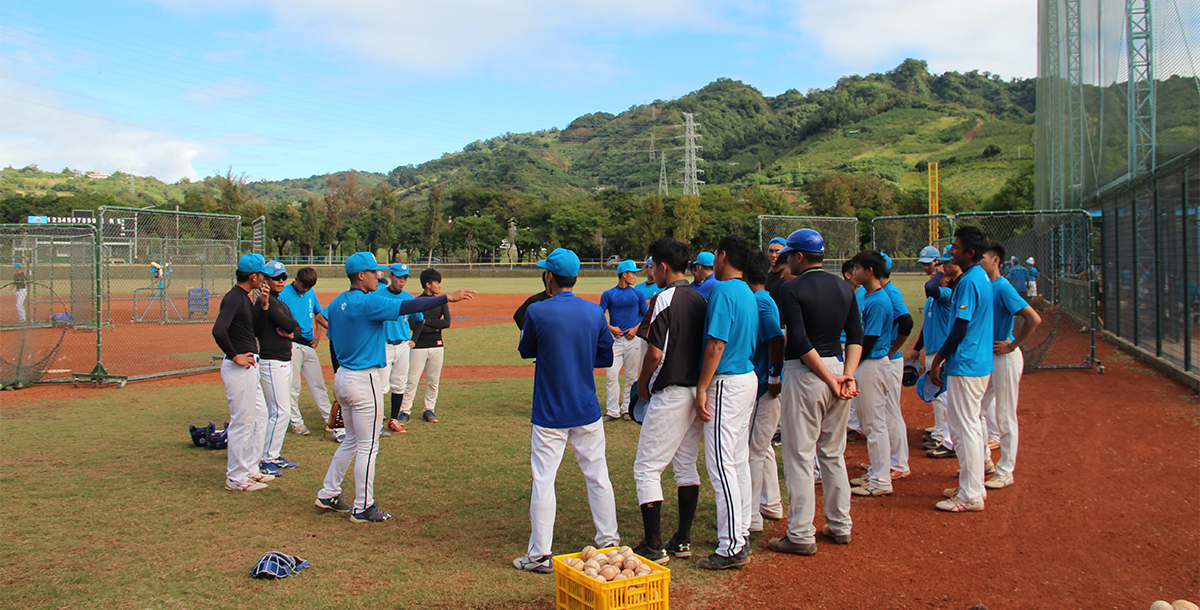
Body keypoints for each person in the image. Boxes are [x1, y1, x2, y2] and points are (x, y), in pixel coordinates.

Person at [315, 253, 474, 521]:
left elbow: (327, 327)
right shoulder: (368, 302)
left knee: (352, 440)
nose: (378, 276)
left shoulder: (339, 301)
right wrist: (448, 297)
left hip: (342, 376)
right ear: (360, 275)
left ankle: (328, 493)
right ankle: (363, 506)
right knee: (368, 445)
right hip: (364, 379)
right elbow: (406, 308)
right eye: (373, 272)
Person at [512, 248, 619, 573]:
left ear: (550, 277)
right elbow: (606, 358)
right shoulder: (593, 312)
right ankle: (610, 543)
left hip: (549, 412)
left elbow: (525, 350)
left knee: (544, 480)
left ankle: (540, 555)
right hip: (586, 409)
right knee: (598, 475)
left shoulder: (539, 311)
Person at [769, 228, 862, 556]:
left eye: (788, 255)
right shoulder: (844, 285)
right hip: (838, 368)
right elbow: (855, 336)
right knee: (833, 453)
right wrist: (845, 375)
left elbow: (799, 338)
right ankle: (840, 525)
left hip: (807, 373)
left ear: (799, 256)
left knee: (799, 456)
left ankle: (800, 534)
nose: (785, 261)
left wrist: (828, 377)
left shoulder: (790, 288)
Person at [631, 238, 708, 565]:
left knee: (646, 468)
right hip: (698, 390)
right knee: (686, 463)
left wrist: (643, 385)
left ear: (663, 266)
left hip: (672, 391)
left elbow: (656, 353)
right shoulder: (700, 298)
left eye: (651, 265)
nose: (650, 271)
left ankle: (653, 545)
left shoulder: (664, 298)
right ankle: (683, 539)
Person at [692, 234, 759, 571]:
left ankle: (732, 544)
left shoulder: (722, 290)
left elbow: (716, 344)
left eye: (716, 255)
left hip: (727, 381)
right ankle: (740, 530)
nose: (714, 261)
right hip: (746, 378)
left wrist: (702, 387)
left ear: (724, 256)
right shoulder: (747, 290)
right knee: (736, 460)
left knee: (721, 465)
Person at [928, 226, 994, 513]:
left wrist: (938, 358)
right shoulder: (977, 277)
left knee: (964, 427)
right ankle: (972, 485)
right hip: (975, 362)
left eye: (955, 247)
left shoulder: (968, 282)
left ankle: (971, 495)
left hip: (966, 363)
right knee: (970, 426)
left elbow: (961, 326)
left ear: (970, 253)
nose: (951, 252)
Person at [979, 241, 1041, 490]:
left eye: (982, 257)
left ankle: (1006, 470)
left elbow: (1033, 318)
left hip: (1004, 358)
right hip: (989, 357)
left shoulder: (1003, 287)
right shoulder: (985, 285)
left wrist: (1013, 344)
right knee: (977, 410)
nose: (979, 261)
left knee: (1004, 415)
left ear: (995, 261)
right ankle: (983, 461)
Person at [212, 253, 271, 492]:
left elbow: (253, 329)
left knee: (260, 417)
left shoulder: (245, 298)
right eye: (261, 275)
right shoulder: (234, 298)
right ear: (253, 276)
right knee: (242, 422)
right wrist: (234, 355)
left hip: (250, 367)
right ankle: (235, 478)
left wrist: (264, 306)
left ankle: (250, 469)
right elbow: (218, 330)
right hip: (239, 368)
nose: (263, 279)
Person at [847, 251, 899, 497]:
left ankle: (881, 480)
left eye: (857, 268)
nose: (853, 272)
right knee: (871, 423)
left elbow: (869, 339)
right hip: (870, 364)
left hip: (872, 364)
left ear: (869, 271)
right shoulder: (869, 297)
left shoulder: (878, 300)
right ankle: (878, 473)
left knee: (875, 423)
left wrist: (852, 362)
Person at [744, 251, 785, 533]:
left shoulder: (759, 301)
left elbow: (776, 337)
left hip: (763, 387)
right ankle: (771, 504)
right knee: (763, 447)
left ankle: (752, 517)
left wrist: (773, 376)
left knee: (754, 451)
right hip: (762, 385)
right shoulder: (764, 297)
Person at [258, 261, 305, 475]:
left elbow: (298, 329)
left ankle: (271, 456)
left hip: (284, 361)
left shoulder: (280, 303)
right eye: (275, 277)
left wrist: (292, 333)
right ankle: (267, 458)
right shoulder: (264, 303)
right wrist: (291, 330)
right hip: (271, 362)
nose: (280, 281)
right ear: (264, 279)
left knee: (278, 411)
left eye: (283, 277)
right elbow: (288, 325)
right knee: (281, 411)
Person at [278, 267, 335, 438]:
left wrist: (318, 335)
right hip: (292, 344)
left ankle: (329, 420)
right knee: (294, 386)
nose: (306, 290)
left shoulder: (310, 293)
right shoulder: (284, 294)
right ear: (296, 280)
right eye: (304, 286)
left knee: (318, 384)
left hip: (308, 345)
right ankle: (297, 423)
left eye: (309, 287)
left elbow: (319, 314)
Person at [909, 246, 955, 455]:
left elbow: (932, 288)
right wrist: (917, 348)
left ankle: (944, 437)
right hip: (932, 349)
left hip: (941, 351)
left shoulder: (946, 293)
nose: (928, 268)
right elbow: (927, 327)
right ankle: (939, 431)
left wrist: (941, 271)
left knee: (942, 395)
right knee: (937, 395)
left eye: (931, 264)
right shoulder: (933, 298)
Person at [377, 263, 425, 433]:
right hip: (384, 345)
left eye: (404, 277)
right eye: (398, 277)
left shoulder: (409, 298)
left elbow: (420, 319)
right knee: (381, 386)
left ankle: (393, 420)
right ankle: (376, 424)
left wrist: (414, 339)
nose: (402, 281)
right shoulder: (378, 295)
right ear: (391, 276)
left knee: (399, 384)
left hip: (403, 345)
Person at [599, 260, 649, 422]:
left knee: (631, 376)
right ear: (624, 274)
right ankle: (612, 410)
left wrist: (635, 329)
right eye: (633, 273)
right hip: (614, 341)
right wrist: (611, 328)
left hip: (633, 340)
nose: (635, 276)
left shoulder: (637, 294)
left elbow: (647, 316)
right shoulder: (609, 294)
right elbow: (599, 316)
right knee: (611, 375)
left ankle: (627, 408)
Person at [878, 253, 913, 479]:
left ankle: (899, 463)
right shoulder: (876, 291)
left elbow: (906, 321)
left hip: (890, 359)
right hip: (882, 358)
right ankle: (885, 459)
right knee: (881, 412)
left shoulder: (891, 292)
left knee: (891, 411)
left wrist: (894, 347)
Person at [401, 268, 450, 423]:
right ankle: (404, 411)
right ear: (428, 284)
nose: (440, 286)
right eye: (437, 283)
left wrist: (424, 322)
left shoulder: (442, 302)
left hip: (437, 346)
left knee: (433, 381)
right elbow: (414, 325)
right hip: (419, 346)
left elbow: (446, 323)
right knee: (412, 381)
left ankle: (429, 409)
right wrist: (433, 325)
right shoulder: (416, 302)